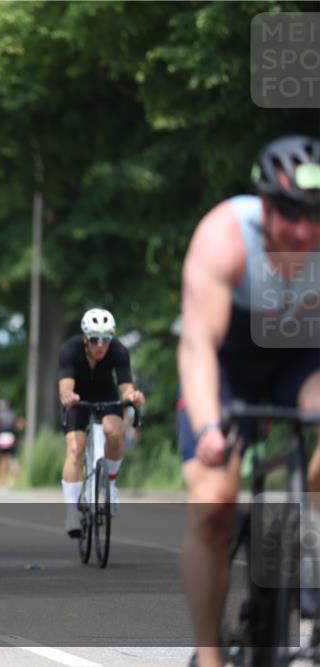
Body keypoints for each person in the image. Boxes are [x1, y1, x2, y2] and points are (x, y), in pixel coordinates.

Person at [177, 135, 320, 667]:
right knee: (213, 503)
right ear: (263, 206)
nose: (303, 230)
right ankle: (210, 654)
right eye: (289, 213)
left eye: (315, 215)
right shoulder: (224, 236)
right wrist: (211, 427)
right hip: (228, 360)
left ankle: (310, 545)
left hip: (302, 359)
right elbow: (197, 347)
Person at [58, 308, 146, 534]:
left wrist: (133, 397)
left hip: (106, 394)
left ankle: (111, 486)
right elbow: (65, 385)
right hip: (77, 397)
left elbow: (126, 387)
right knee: (75, 449)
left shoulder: (119, 351)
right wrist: (68, 396)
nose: (100, 345)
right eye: (95, 339)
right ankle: (72, 513)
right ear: (85, 337)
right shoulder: (70, 349)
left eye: (105, 340)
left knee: (115, 433)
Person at [0, 399, 24, 490]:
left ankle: (2, 480)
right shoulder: (13, 414)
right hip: (11, 437)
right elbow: (20, 425)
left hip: (1, 438)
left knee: (1, 459)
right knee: (12, 457)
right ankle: (16, 472)